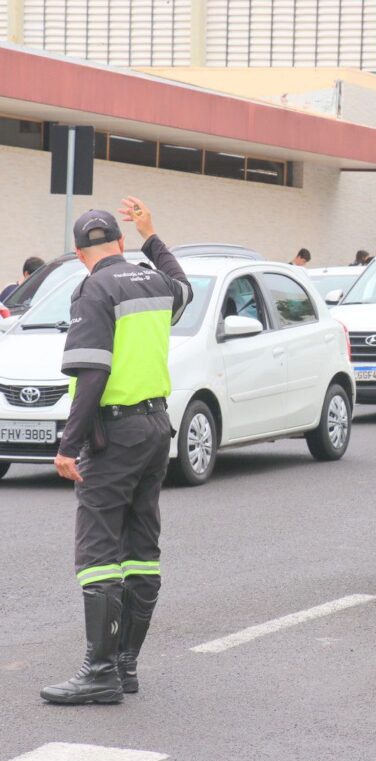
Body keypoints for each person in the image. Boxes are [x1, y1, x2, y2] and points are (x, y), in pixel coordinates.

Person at [40, 198, 192, 705]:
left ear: (79, 253)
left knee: (98, 553)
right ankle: (125, 665)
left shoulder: (94, 289)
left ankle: (100, 672)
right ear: (121, 243)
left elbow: (92, 373)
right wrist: (152, 234)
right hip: (155, 428)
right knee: (141, 547)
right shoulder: (153, 281)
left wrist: (69, 445)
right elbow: (185, 286)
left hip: (116, 432)